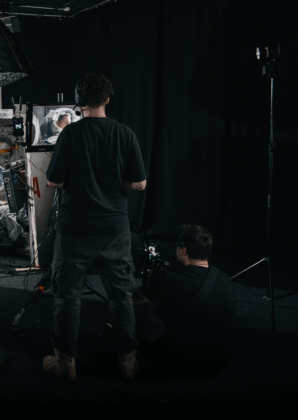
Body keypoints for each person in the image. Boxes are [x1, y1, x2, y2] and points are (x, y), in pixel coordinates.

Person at [43, 74, 147, 381]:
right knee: (121, 296)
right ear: (108, 99)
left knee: (67, 296)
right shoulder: (125, 133)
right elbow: (140, 184)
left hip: (76, 230)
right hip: (114, 230)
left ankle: (65, 364)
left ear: (79, 103)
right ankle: (128, 363)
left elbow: (53, 181)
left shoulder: (70, 135)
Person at [132, 225, 237, 378]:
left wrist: (151, 278)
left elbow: (135, 300)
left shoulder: (168, 277)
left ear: (183, 250)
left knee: (140, 306)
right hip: (218, 364)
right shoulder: (224, 278)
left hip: (179, 364)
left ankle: (128, 348)